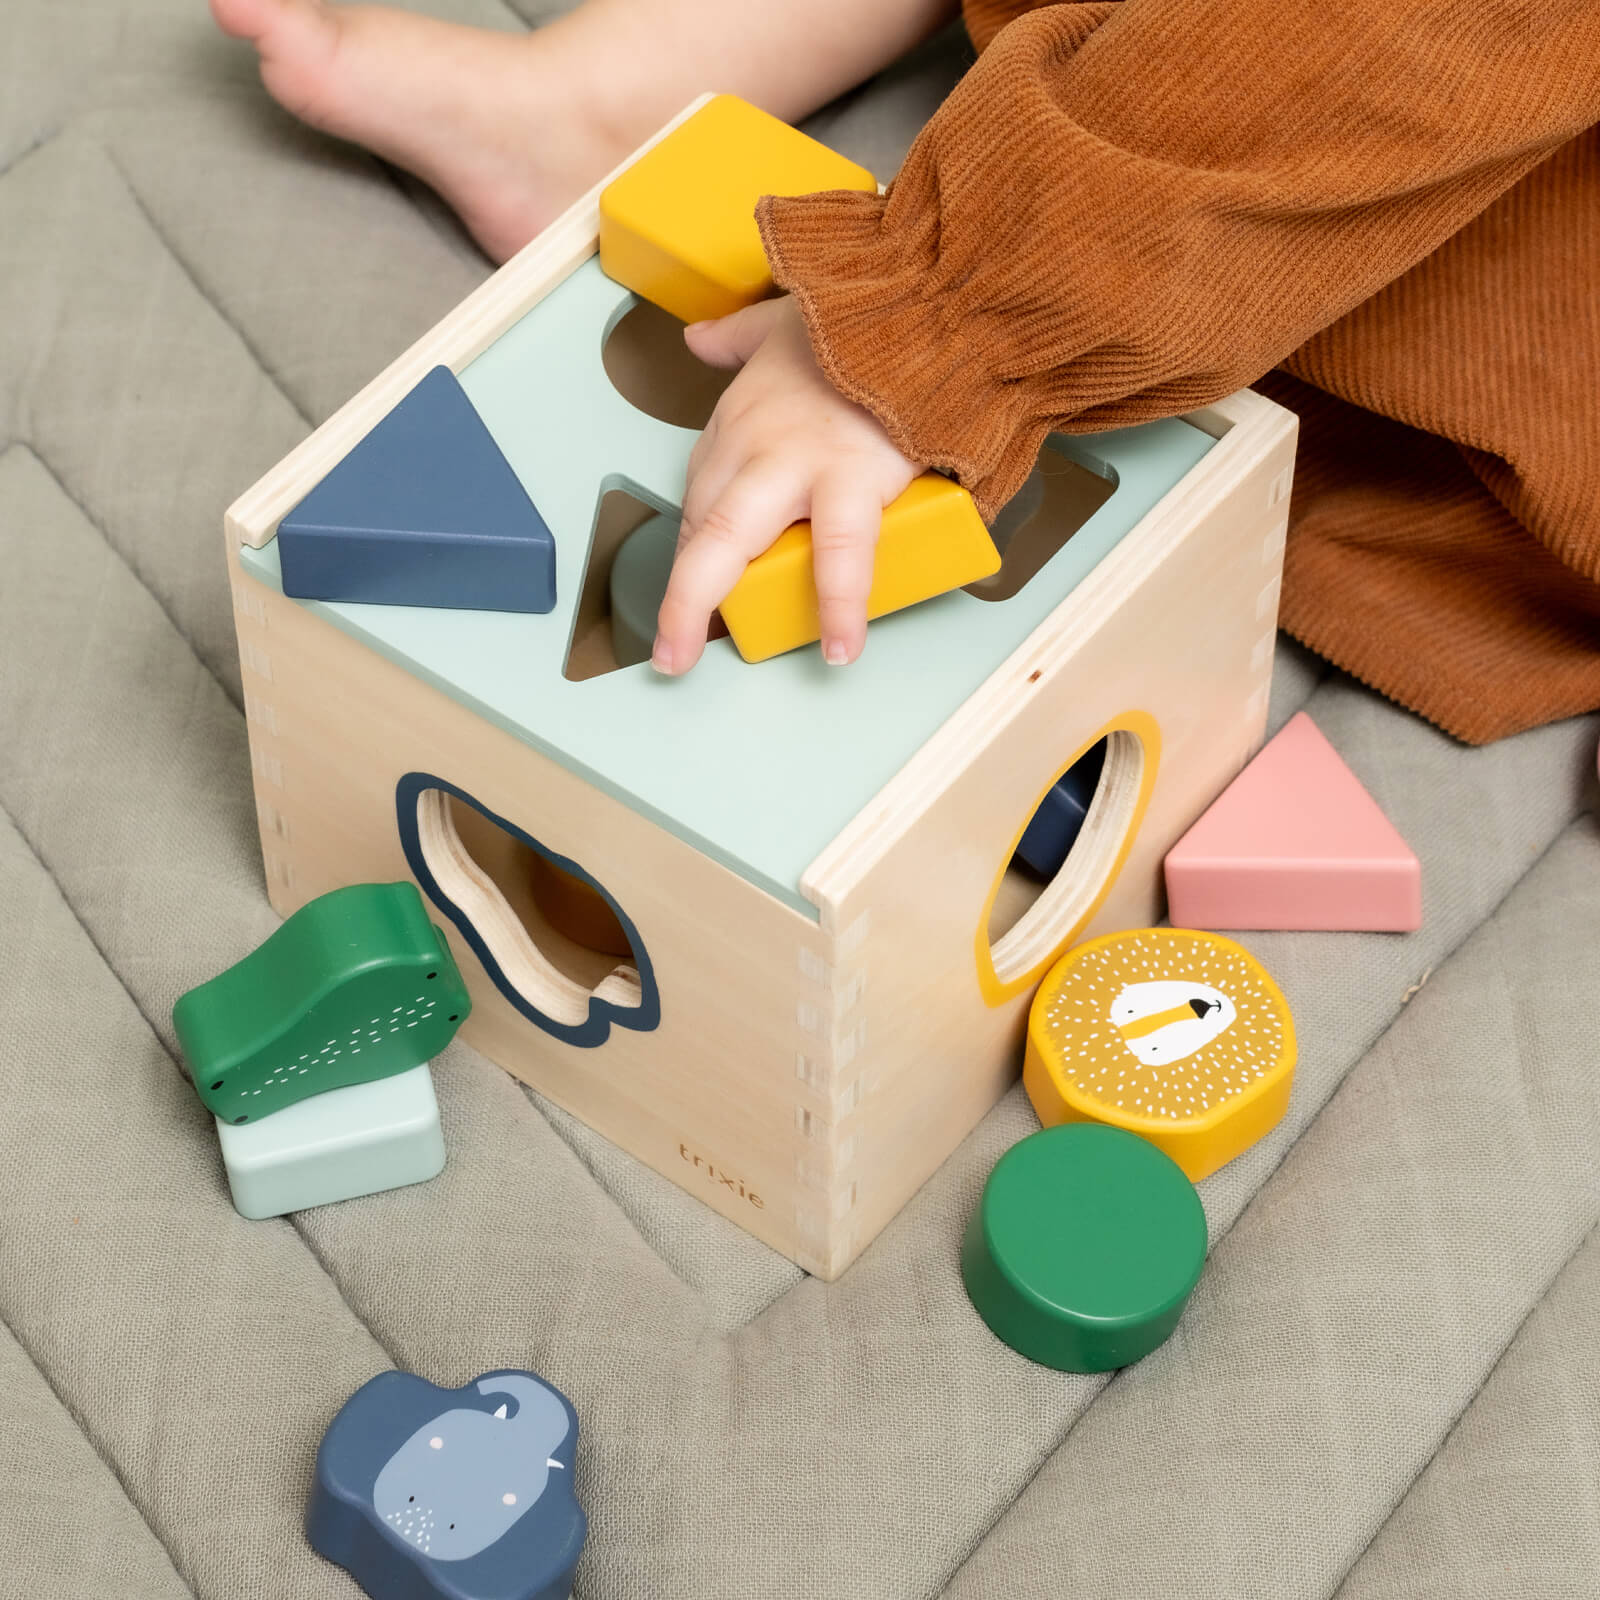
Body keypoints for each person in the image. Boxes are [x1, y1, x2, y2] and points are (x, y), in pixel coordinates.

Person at [210, 0, 1600, 741]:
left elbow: (1358, 51)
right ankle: (601, 101)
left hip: (1434, 265)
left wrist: (939, 325)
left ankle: (1004, 273)